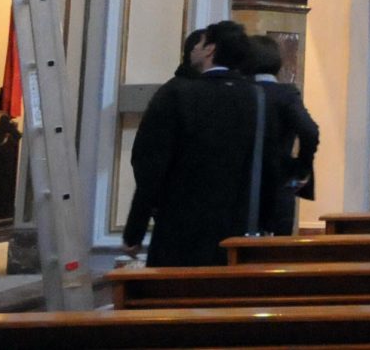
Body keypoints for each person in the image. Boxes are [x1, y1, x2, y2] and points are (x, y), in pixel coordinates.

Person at [121, 20, 263, 266]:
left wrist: (135, 229)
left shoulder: (177, 94)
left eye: (201, 42)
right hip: (237, 231)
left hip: (180, 229)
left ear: (210, 49)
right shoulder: (257, 97)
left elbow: (150, 166)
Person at [246, 33, 320, 236]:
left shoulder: (240, 93)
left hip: (242, 184)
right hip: (278, 181)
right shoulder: (286, 94)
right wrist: (301, 166)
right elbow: (309, 131)